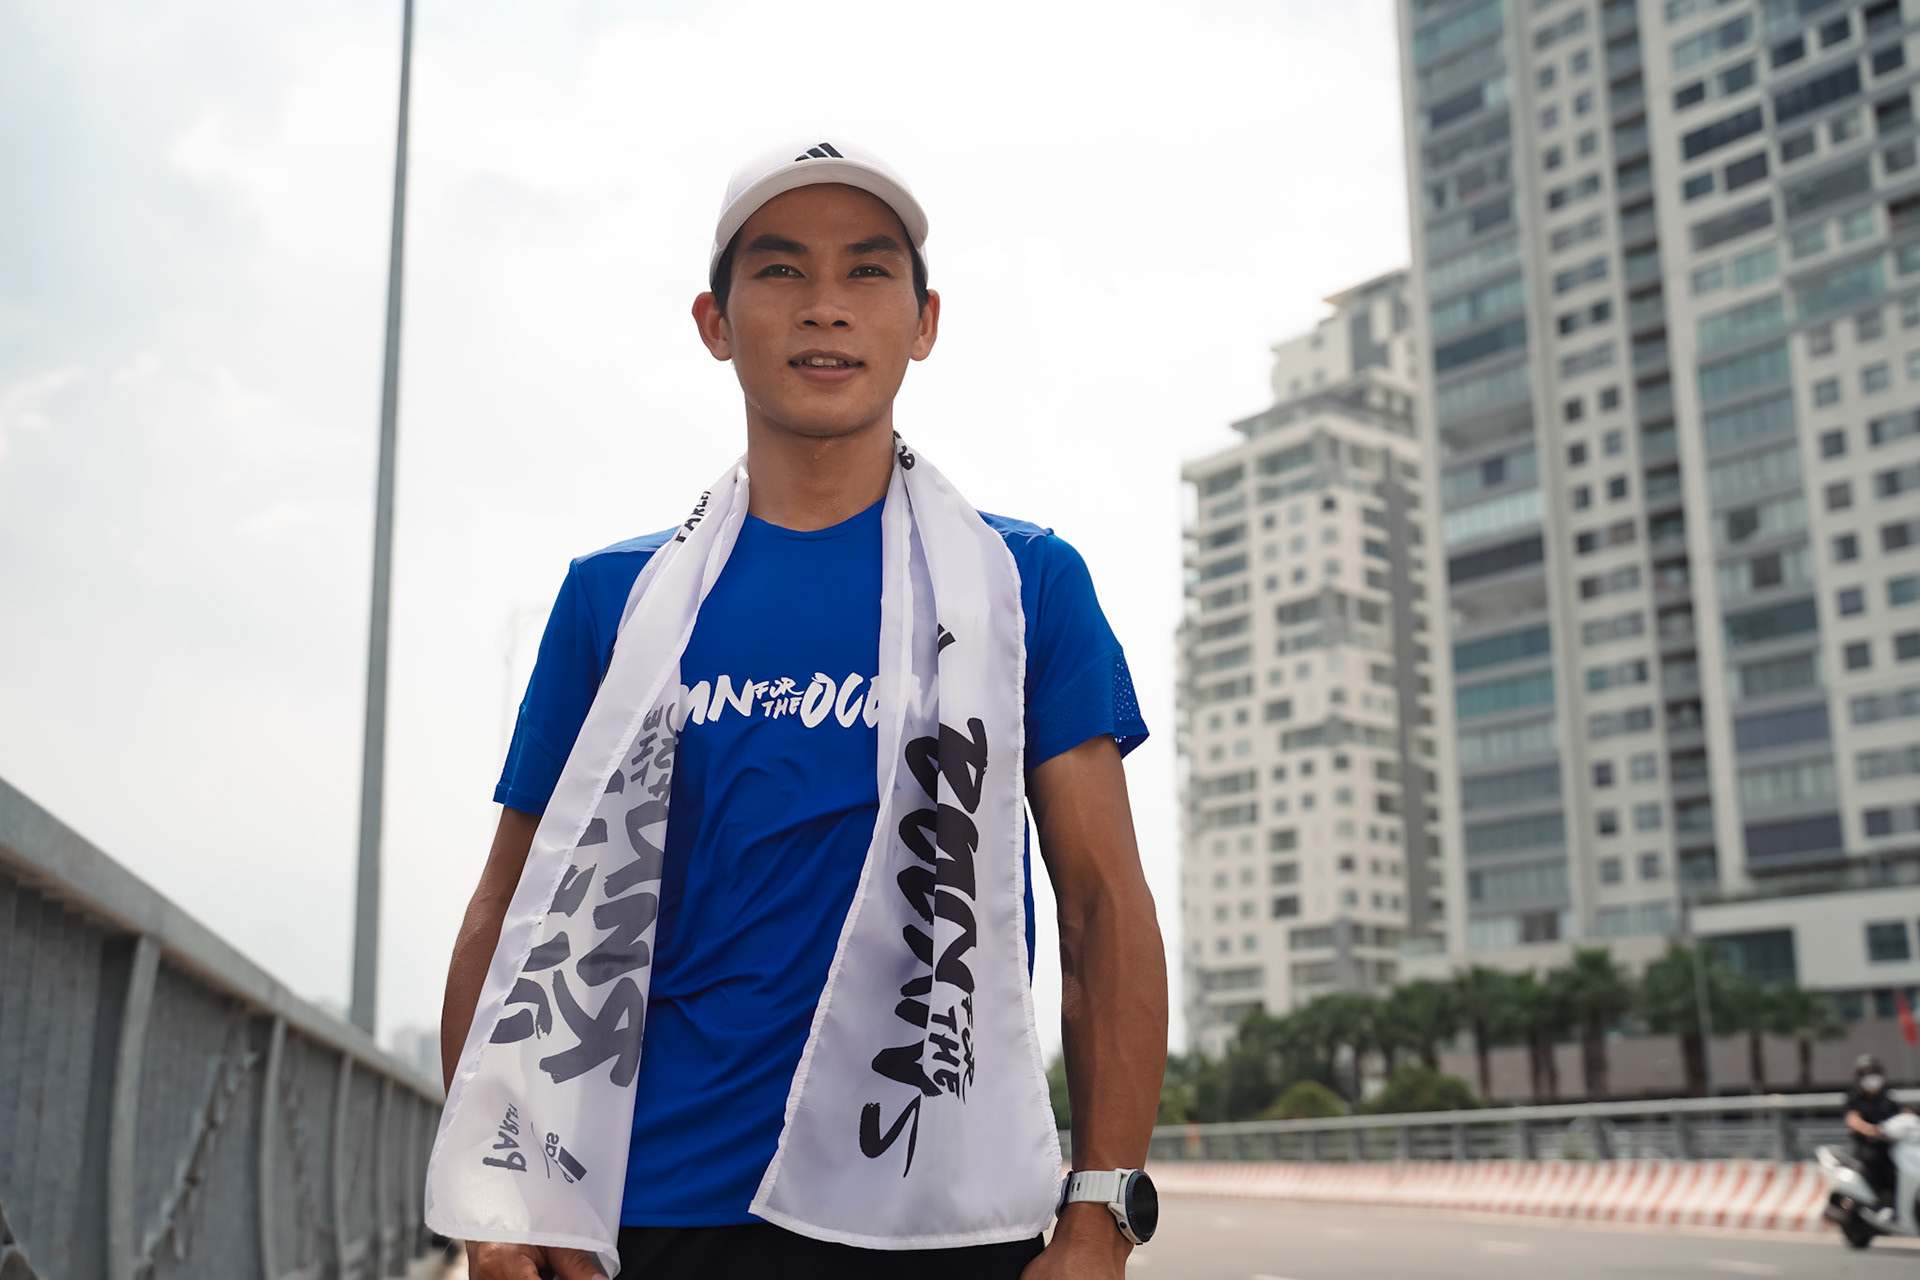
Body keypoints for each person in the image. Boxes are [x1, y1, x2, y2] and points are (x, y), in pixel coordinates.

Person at [435, 139, 1167, 1280]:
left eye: (867, 271)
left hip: (943, 1217)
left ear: (924, 321)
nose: (826, 306)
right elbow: (509, 911)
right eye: (780, 270)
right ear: (714, 322)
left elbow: (1103, 905)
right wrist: (499, 1205)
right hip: (654, 1210)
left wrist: (1100, 1214)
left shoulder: (1023, 586)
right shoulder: (616, 599)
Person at [1845, 1053, 1908, 1220]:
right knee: (1875, 1160)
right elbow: (1853, 1119)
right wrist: (1870, 1129)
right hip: (1867, 1146)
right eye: (1867, 1073)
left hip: (1890, 1144)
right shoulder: (1855, 1098)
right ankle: (1880, 1202)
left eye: (1874, 1072)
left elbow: (1903, 1115)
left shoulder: (1888, 1097)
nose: (1871, 1077)